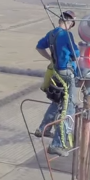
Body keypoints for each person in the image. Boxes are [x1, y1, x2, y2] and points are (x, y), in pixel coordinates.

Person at [35, 10, 80, 157]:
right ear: (71, 23)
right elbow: (76, 54)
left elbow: (39, 47)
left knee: (58, 101)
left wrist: (51, 59)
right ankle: (57, 144)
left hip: (56, 72)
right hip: (67, 73)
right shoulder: (67, 35)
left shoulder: (51, 34)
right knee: (70, 107)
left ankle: (43, 129)